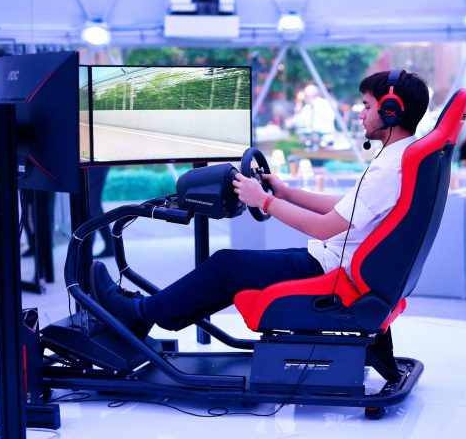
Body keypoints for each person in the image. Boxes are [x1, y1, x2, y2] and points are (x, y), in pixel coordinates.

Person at [89, 71, 430, 337]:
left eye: (368, 106)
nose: (361, 114)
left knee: (225, 266)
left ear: (391, 112)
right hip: (336, 260)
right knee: (231, 268)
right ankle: (149, 312)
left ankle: (139, 314)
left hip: (332, 270)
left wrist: (263, 201)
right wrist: (284, 192)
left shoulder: (389, 169)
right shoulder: (402, 159)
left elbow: (323, 227)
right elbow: (345, 206)